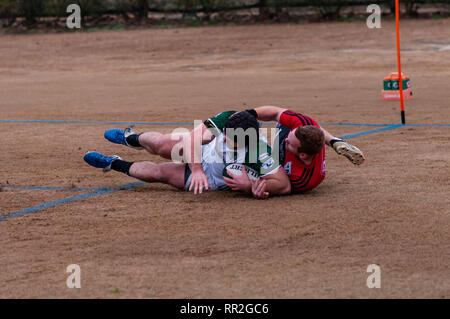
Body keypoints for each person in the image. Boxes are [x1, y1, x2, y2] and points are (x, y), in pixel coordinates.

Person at [83, 110, 291, 199]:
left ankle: (114, 163)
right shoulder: (226, 119)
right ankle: (132, 138)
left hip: (213, 178)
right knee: (161, 143)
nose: (226, 140)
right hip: (202, 153)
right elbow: (192, 139)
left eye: (233, 141)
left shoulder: (260, 150)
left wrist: (249, 187)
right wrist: (197, 169)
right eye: (226, 136)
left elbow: (283, 184)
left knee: (160, 173)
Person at [230, 106, 364, 194]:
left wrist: (249, 186)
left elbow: (281, 186)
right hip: (291, 140)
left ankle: (333, 140)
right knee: (305, 122)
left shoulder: (302, 179)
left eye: (290, 143)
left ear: (303, 155)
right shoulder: (301, 128)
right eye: (291, 135)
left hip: (277, 160)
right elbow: (276, 112)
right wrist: (248, 114)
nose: (286, 140)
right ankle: (335, 141)